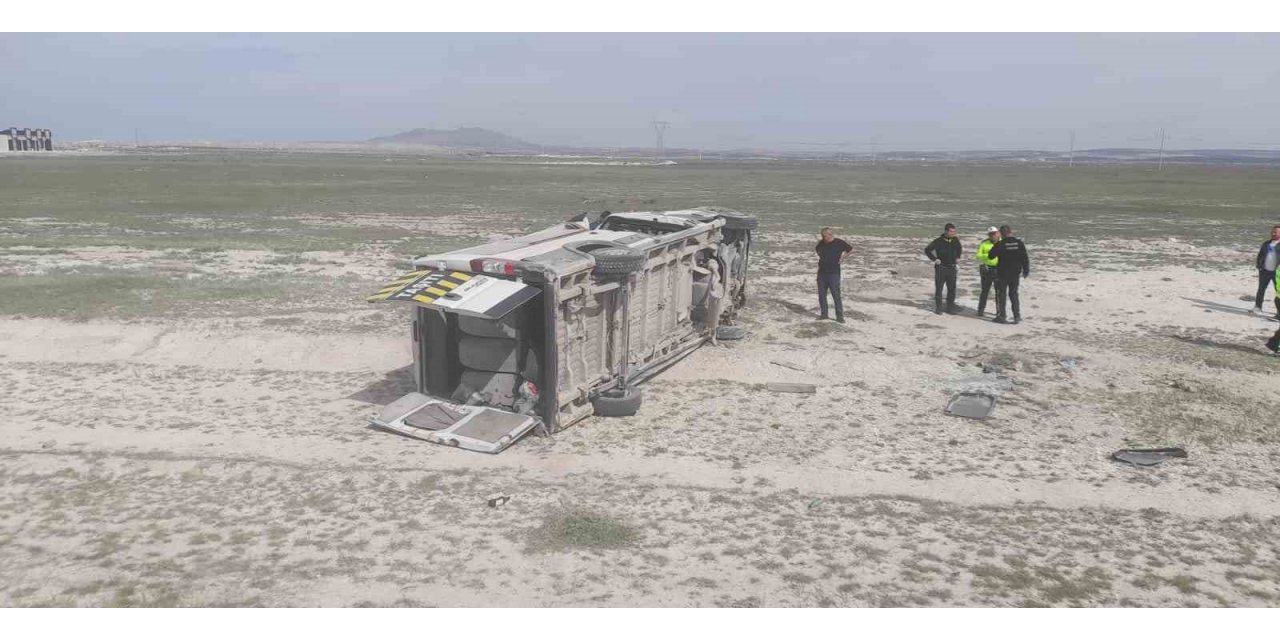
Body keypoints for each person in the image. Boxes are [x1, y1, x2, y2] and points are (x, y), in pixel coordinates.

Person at [988, 225, 1031, 324]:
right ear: (1010, 232)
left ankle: (1002, 316)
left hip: (1002, 273)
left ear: (1001, 234)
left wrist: (995, 244)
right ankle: (1017, 316)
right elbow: (1025, 257)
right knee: (1014, 294)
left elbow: (990, 256)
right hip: (1015, 273)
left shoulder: (1000, 244)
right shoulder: (1019, 243)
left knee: (1001, 295)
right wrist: (1026, 270)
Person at [815, 227, 852, 323]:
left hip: (834, 273)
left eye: (824, 236)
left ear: (830, 235)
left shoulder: (839, 243)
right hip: (822, 273)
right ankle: (824, 314)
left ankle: (839, 316)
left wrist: (842, 258)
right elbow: (817, 249)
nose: (823, 238)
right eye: (822, 236)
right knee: (821, 295)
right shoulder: (821, 243)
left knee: (836, 295)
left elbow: (850, 249)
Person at [924, 223, 962, 315]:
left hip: (952, 268)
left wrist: (958, 256)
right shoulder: (938, 241)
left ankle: (950, 308)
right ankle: (939, 308)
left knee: (952, 289)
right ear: (946, 231)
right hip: (941, 268)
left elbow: (959, 248)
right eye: (951, 231)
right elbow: (927, 250)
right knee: (939, 289)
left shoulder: (955, 240)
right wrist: (934, 259)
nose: (953, 233)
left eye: (954, 231)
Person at [1254, 225, 1280, 317]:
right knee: (1261, 289)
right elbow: (1260, 255)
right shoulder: (1266, 243)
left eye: (1275, 232)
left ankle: (1279, 312)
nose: (1273, 233)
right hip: (1264, 271)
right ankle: (1257, 307)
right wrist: (1259, 266)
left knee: (1279, 292)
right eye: (1272, 232)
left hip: (1277, 273)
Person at [975, 226, 1000, 316]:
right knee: (984, 291)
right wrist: (989, 255)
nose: (992, 235)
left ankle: (999, 311)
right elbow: (978, 255)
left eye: (994, 233)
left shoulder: (1002, 243)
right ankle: (980, 310)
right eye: (990, 234)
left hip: (999, 270)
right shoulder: (984, 243)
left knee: (999, 292)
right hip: (987, 269)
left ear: (998, 233)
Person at [706, 259, 725, 345]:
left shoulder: (714, 277)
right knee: (712, 319)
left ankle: (713, 336)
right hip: (711, 300)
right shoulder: (712, 276)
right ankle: (711, 335)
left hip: (714, 300)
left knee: (714, 319)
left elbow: (714, 286)